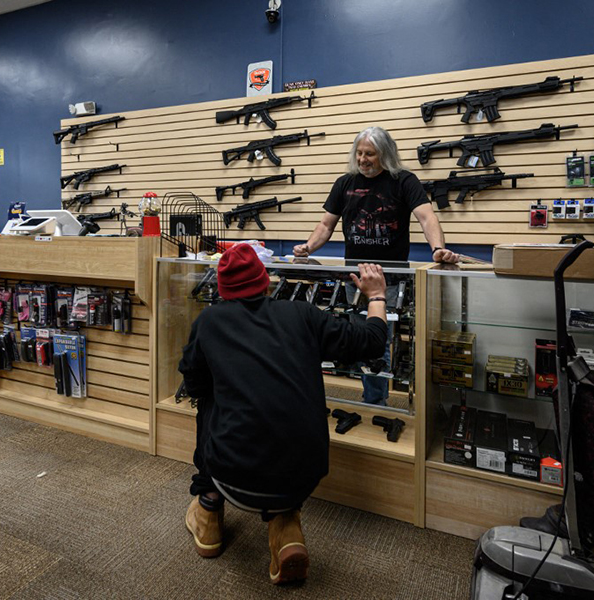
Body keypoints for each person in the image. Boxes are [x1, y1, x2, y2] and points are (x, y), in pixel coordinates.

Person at [179, 243, 388, 585]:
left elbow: (195, 383)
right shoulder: (302, 315)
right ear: (266, 282)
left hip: (232, 472)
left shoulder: (209, 321)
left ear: (221, 287)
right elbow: (371, 342)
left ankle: (209, 508)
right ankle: (286, 526)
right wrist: (377, 295)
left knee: (207, 398)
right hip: (304, 473)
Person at [293, 126, 460, 405]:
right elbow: (326, 224)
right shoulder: (345, 182)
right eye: (359, 153)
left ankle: (374, 402)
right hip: (354, 279)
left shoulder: (403, 180)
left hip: (390, 280)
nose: (362, 159)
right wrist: (308, 247)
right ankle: (369, 397)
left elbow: (427, 217)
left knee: (378, 343)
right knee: (358, 338)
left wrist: (438, 249)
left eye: (369, 154)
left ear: (385, 154)